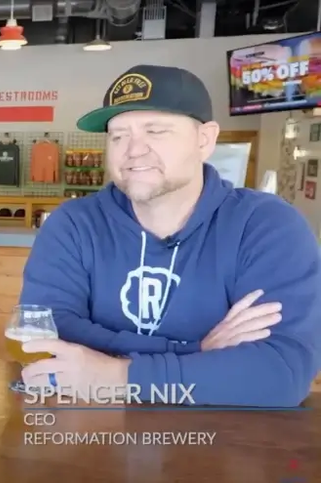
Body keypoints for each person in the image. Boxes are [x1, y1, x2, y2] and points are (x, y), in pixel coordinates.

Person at [18, 64, 321, 407]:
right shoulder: (72, 224)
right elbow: (46, 337)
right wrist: (195, 352)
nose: (133, 150)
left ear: (204, 140)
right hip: (91, 443)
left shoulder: (267, 226)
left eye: (156, 130)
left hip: (226, 449)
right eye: (118, 135)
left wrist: (118, 376)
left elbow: (281, 374)